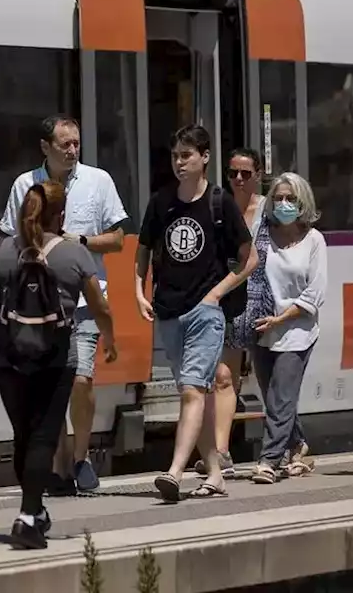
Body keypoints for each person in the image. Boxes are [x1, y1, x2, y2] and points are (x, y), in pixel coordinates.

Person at [0, 180, 117, 549]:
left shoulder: (1, 250)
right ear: (60, 215)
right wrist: (109, 338)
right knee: (44, 438)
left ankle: (33, 510)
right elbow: (100, 305)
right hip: (56, 360)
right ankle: (28, 517)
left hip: (10, 360)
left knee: (24, 436)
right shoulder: (72, 254)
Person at [0, 114, 128, 495]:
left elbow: (119, 238)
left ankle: (81, 457)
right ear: (45, 148)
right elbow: (9, 238)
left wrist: (80, 243)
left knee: (81, 379)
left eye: (76, 144)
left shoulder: (98, 181)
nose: (72, 151)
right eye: (64, 145)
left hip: (84, 301)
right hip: (37, 303)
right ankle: (59, 463)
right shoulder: (25, 184)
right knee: (51, 384)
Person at [135, 125, 257, 502]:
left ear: (205, 158)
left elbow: (249, 259)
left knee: (191, 390)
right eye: (175, 156)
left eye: (186, 155)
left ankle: (174, 472)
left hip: (205, 313)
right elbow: (143, 250)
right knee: (196, 395)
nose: (179, 163)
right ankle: (216, 473)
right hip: (168, 312)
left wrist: (216, 295)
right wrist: (139, 292)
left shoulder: (219, 203)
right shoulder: (161, 202)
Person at [248, 173, 326, 484]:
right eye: (278, 198)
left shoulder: (314, 240)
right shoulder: (261, 233)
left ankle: (268, 460)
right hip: (260, 327)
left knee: (281, 396)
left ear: (302, 202)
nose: (283, 204)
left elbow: (315, 292)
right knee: (274, 396)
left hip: (297, 329)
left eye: (290, 199)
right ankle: (297, 444)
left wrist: (280, 319)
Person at [195, 147, 265, 479]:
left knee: (272, 376)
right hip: (225, 298)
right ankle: (221, 451)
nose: (238, 179)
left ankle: (291, 442)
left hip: (263, 299)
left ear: (258, 174)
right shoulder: (218, 206)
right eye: (233, 173)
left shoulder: (268, 209)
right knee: (223, 376)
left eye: (246, 173)